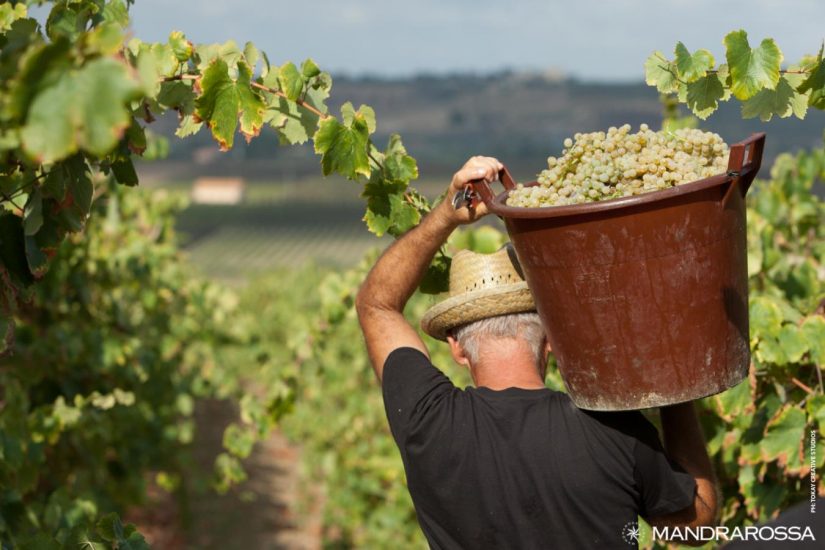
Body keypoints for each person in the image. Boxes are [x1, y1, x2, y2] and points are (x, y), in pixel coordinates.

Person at [355, 156, 719, 549]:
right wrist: (677, 389)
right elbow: (694, 525)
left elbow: (377, 305)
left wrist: (447, 214)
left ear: (458, 348)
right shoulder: (615, 429)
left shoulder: (428, 422)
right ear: (550, 336)